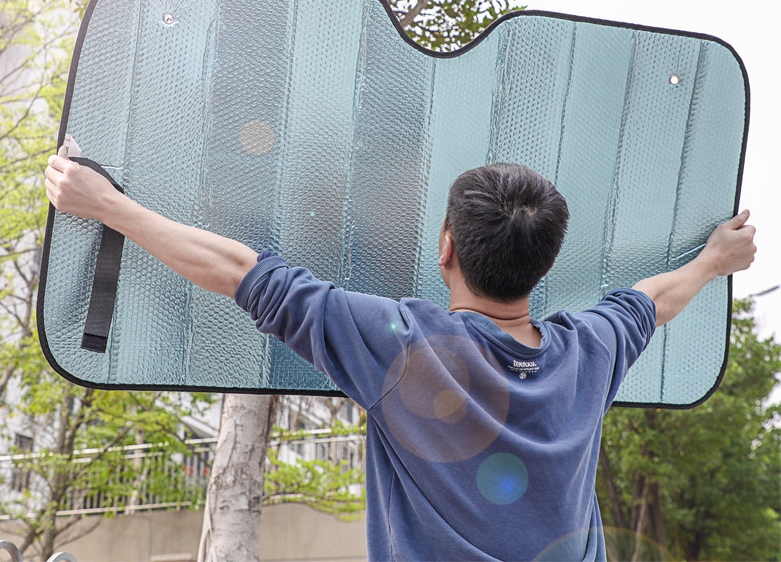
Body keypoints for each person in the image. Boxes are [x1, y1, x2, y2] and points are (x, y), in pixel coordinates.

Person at [44, 149, 756, 561]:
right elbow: (655, 298)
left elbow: (241, 271)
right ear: (546, 267)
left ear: (445, 248)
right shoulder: (590, 350)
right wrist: (716, 260)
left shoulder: (407, 351)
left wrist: (108, 205)